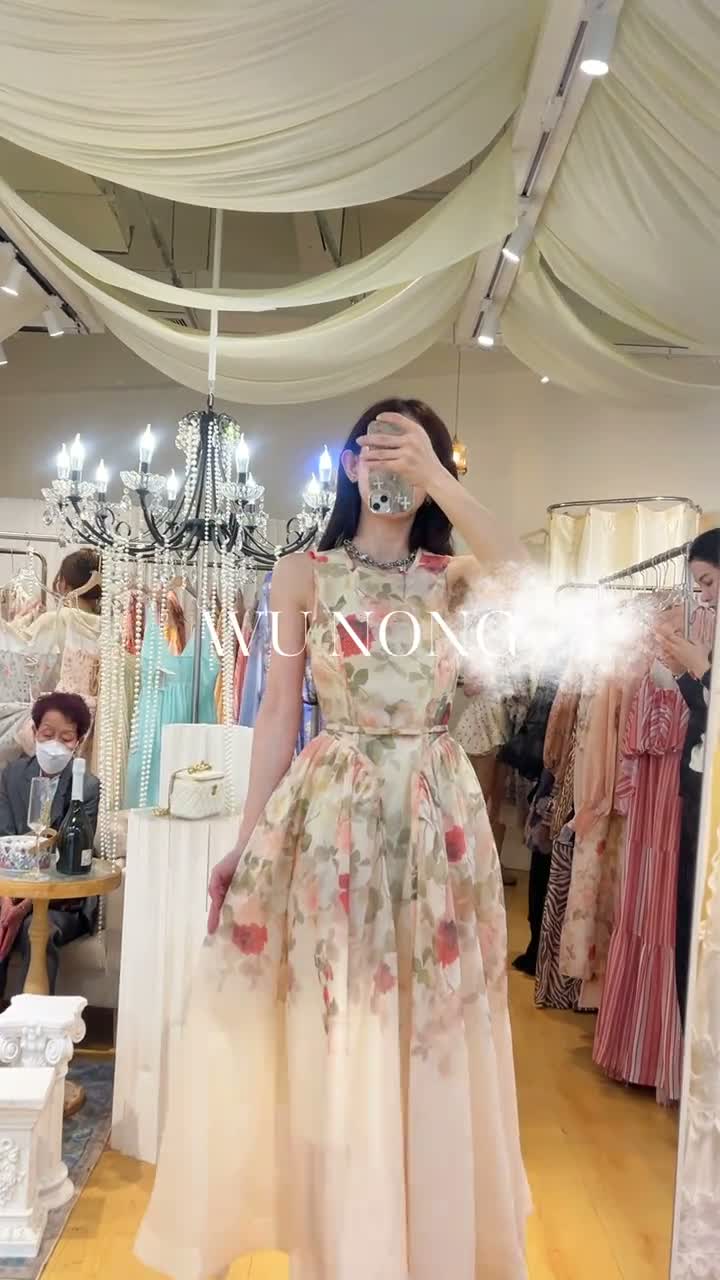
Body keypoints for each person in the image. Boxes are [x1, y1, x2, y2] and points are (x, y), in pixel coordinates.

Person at [136, 399, 531, 1280]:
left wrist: (438, 479)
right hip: (333, 815)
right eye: (377, 446)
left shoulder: (457, 576)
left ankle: (423, 1242)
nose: (391, 463)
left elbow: (529, 579)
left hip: (435, 817)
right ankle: (348, 1244)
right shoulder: (300, 575)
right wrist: (245, 843)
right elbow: (278, 712)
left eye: (412, 450)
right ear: (349, 464)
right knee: (341, 1027)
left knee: (430, 1024)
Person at [0, 691, 100, 997]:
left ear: (78, 742)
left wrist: (24, 908)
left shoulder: (87, 786)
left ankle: (35, 1022)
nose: (55, 743)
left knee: (38, 932)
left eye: (66, 737)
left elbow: (70, 853)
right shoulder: (11, 776)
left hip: (62, 900)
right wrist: (7, 903)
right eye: (47, 734)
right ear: (34, 732)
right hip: (9, 890)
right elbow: (4, 839)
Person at [661, 528, 719, 1027]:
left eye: (709, 581)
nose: (705, 595)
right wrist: (686, 673)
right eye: (699, 584)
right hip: (700, 786)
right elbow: (705, 713)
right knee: (688, 916)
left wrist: (702, 670)